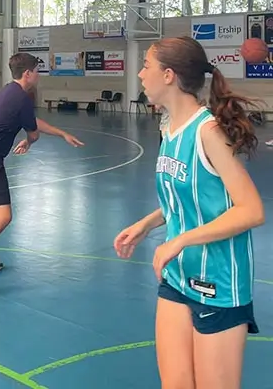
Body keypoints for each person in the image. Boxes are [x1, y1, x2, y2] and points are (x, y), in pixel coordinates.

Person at [113, 36, 264, 389]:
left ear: (169, 75)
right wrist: (147, 223)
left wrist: (179, 240)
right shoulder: (167, 128)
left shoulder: (208, 132)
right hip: (179, 276)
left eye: (146, 66)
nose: (139, 74)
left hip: (220, 283)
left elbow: (252, 210)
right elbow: (188, 195)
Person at [0, 52, 84, 303]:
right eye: (37, 71)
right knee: (2, 216)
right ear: (28, 73)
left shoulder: (11, 92)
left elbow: (32, 122)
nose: (38, 75)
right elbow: (34, 133)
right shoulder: (20, 97)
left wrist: (62, 133)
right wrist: (30, 142)